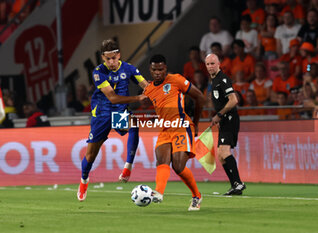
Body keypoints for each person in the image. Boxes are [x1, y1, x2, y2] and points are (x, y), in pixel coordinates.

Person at [77, 39, 148, 201]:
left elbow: (146, 85)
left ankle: (127, 167)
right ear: (103, 57)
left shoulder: (129, 68)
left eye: (113, 58)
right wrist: (138, 97)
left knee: (134, 124)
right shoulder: (98, 72)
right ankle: (84, 180)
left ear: (119, 55)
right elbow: (113, 98)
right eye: (107, 59)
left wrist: (157, 90)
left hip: (119, 113)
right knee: (90, 156)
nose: (111, 62)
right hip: (102, 114)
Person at [143, 54, 204, 211]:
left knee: (178, 166)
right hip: (165, 129)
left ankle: (197, 196)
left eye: (160, 69)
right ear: (150, 70)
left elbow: (199, 97)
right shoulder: (149, 89)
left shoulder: (176, 79)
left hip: (182, 126)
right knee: (162, 161)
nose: (157, 73)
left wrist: (196, 123)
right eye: (154, 70)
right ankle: (159, 192)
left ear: (166, 69)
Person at [205, 53, 246, 195]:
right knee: (221, 156)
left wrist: (220, 115)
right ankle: (235, 185)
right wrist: (218, 117)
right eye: (208, 64)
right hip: (224, 120)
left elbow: (234, 100)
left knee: (224, 151)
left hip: (230, 118)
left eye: (212, 63)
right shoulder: (214, 80)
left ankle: (238, 184)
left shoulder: (222, 79)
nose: (210, 66)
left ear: (219, 64)